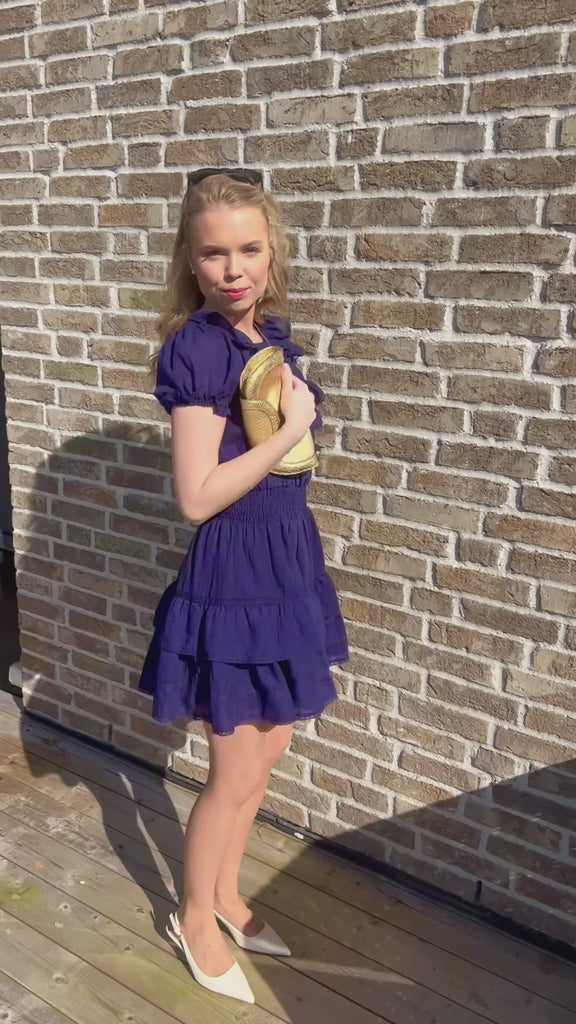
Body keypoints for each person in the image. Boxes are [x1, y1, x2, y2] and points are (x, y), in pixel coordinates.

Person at [136, 167, 349, 1003]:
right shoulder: (197, 348)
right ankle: (192, 917)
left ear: (273, 251)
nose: (233, 270)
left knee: (267, 757)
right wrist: (293, 428)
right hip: (235, 572)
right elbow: (196, 498)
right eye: (213, 253)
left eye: (250, 250)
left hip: (286, 559)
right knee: (232, 772)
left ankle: (226, 894)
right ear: (189, 260)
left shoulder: (266, 335)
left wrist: (289, 431)